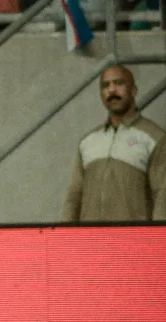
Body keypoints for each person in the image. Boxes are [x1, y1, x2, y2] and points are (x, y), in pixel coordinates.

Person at [63, 65, 166, 222]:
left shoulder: (155, 138)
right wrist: (65, 236)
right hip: (90, 241)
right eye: (106, 85)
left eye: (118, 83)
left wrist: (158, 241)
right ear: (101, 94)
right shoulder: (88, 141)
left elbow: (162, 194)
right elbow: (74, 195)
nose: (112, 90)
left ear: (133, 91)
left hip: (132, 241)